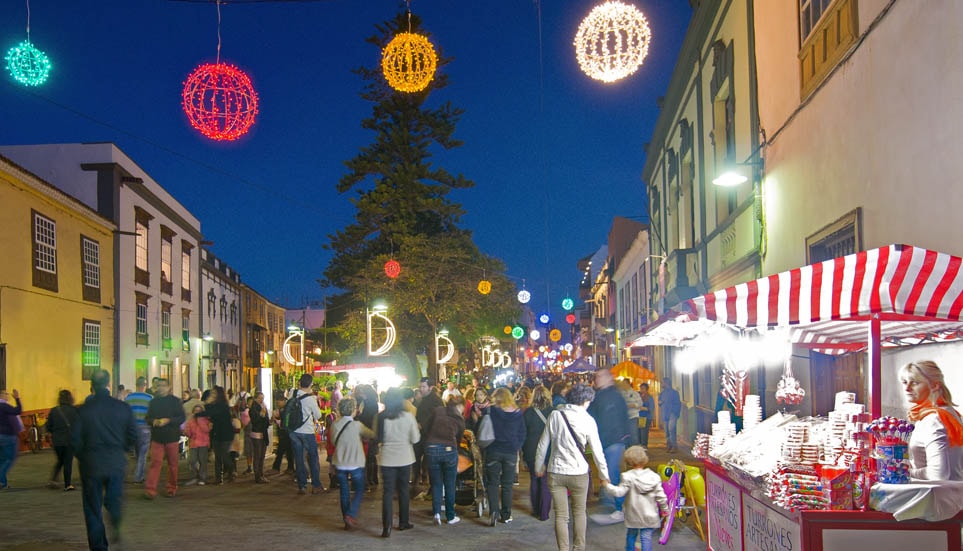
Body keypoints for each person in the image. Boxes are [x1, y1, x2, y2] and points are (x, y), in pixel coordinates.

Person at [534, 383, 611, 551]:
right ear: (584, 401)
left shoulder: (555, 415)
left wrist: (538, 465)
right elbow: (598, 451)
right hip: (579, 472)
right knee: (579, 512)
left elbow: (542, 444)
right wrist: (604, 474)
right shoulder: (588, 420)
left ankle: (563, 549)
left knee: (561, 516)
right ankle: (578, 548)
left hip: (556, 471)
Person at [72, 370, 138, 550]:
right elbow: (134, 435)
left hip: (91, 464)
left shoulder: (83, 410)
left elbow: (75, 440)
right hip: (115, 461)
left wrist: (83, 456)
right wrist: (121, 449)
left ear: (91, 386)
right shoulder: (122, 408)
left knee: (92, 508)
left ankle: (99, 547)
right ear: (109, 385)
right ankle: (116, 520)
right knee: (114, 499)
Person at [899, 361, 963, 480]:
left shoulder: (934, 419)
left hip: (939, 495)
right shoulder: (948, 412)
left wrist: (905, 471)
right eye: (904, 382)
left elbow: (938, 474)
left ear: (934, 386)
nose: (907, 388)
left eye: (915, 383)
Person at [603, 446, 669, 551]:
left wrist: (607, 486)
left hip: (633, 514)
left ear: (629, 461)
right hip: (650, 514)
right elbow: (661, 496)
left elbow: (619, 492)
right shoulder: (654, 477)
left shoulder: (627, 476)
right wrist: (665, 509)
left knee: (631, 534)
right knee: (646, 537)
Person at [588, 368, 632, 525]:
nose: (596, 379)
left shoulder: (613, 396)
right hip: (605, 441)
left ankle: (620, 507)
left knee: (612, 473)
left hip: (614, 440)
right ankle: (612, 501)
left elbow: (623, 417)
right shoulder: (599, 395)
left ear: (608, 378)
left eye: (599, 376)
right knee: (608, 472)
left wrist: (625, 438)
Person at [376, 388, 420, 537]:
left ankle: (386, 527)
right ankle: (403, 522)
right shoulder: (408, 417)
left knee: (387, 493)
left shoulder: (381, 417)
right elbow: (415, 439)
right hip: (405, 458)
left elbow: (378, 438)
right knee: (403, 490)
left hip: (387, 459)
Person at [331, 397, 375, 530]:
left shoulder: (335, 425)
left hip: (339, 461)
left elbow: (334, 441)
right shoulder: (357, 425)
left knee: (344, 492)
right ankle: (351, 514)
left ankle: (346, 520)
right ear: (353, 410)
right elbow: (371, 434)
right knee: (359, 489)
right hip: (356, 462)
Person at [485, 387, 526, 526]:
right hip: (510, 452)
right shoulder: (517, 413)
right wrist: (516, 445)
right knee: (507, 485)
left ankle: (494, 513)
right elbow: (522, 432)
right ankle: (506, 514)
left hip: (493, 450)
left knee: (492, 483)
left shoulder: (491, 411)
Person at [423, 394, 466, 526]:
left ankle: (436, 513)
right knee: (449, 483)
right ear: (460, 406)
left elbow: (426, 427)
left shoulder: (438, 410)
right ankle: (450, 515)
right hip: (449, 450)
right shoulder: (459, 418)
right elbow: (458, 438)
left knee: (436, 483)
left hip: (431, 448)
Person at [144, 378, 185, 499]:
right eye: (158, 386)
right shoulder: (153, 402)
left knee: (173, 464)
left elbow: (181, 418)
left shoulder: (175, 401)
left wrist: (169, 420)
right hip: (157, 437)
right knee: (155, 463)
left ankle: (171, 488)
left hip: (172, 437)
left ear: (168, 387)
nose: (160, 388)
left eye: (163, 385)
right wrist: (153, 421)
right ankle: (150, 490)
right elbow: (147, 418)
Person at [290, 373, 324, 495]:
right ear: (310, 384)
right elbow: (318, 415)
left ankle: (302, 486)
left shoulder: (293, 394)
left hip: (294, 432)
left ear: (300, 382)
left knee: (299, 459)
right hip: (307, 432)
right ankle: (316, 485)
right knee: (313, 458)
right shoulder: (311, 399)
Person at [523, 385, 554, 521]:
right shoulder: (552, 412)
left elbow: (523, 434)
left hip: (531, 450)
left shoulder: (528, 413)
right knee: (546, 481)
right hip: (548, 450)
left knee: (534, 479)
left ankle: (536, 509)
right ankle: (544, 512)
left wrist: (522, 452)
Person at [46, 389, 79, 491]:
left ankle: (53, 480)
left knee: (61, 460)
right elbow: (79, 425)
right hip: (70, 440)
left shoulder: (54, 410)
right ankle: (67, 484)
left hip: (57, 441)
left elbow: (49, 427)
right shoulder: (74, 410)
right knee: (67, 462)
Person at [414, 378, 443, 486]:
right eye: (420, 386)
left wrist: (422, 424)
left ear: (430, 388)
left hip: (430, 435)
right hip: (421, 435)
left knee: (430, 461)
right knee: (418, 458)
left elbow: (437, 416)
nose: (421, 389)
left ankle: (431, 486)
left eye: (423, 387)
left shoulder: (435, 400)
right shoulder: (423, 399)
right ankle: (418, 479)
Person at [124, 377, 152, 483]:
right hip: (145, 427)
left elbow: (125, 412)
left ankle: (130, 474)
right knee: (142, 453)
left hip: (132, 427)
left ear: (136, 385)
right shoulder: (150, 398)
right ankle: (138, 476)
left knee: (134, 453)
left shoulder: (129, 398)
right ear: (145, 385)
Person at [205, 386, 235, 485]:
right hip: (216, 433)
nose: (212, 395)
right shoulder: (213, 405)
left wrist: (208, 403)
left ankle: (231, 470)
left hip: (226, 433)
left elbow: (211, 413)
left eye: (214, 393)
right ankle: (219, 478)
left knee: (224, 455)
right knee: (218, 456)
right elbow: (207, 413)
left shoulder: (223, 405)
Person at [0, 388, 23, 490]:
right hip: (7, 435)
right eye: (5, 393)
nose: (7, 395)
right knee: (10, 458)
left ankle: (3, 482)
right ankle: (1, 480)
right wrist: (17, 398)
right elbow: (18, 411)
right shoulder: (4, 406)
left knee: (2, 459)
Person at [183, 404, 212, 486]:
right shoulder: (190, 421)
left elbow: (206, 430)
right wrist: (185, 432)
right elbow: (189, 433)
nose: (197, 413)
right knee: (192, 461)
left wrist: (200, 420)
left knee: (203, 461)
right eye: (195, 411)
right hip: (194, 443)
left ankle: (202, 478)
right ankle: (195, 476)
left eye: (199, 411)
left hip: (204, 443)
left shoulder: (206, 420)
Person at [248, 391, 271, 483]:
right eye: (259, 398)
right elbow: (255, 421)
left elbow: (265, 420)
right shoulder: (253, 409)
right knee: (258, 455)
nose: (261, 400)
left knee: (262, 456)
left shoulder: (263, 407)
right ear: (255, 398)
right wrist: (262, 414)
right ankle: (258, 476)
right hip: (257, 434)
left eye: (262, 398)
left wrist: (269, 420)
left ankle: (261, 474)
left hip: (263, 433)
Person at [659, 378, 682, 453]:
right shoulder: (662, 393)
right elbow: (659, 402)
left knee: (671, 429)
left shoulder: (674, 393)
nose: (661, 384)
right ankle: (669, 445)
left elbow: (678, 404)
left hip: (672, 413)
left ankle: (674, 446)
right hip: (665, 413)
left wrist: (675, 412)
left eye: (662, 383)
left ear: (666, 383)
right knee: (667, 431)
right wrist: (660, 403)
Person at [618, 379, 643, 446]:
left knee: (633, 434)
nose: (623, 385)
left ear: (628, 384)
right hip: (623, 417)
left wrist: (632, 405)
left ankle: (635, 451)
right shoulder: (621, 394)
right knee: (625, 435)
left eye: (624, 384)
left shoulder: (635, 393)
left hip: (633, 416)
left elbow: (640, 403)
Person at [637, 383, 654, 447]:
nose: (641, 390)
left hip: (646, 418)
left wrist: (643, 408)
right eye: (641, 388)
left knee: (644, 434)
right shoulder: (638, 396)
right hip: (639, 417)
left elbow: (651, 408)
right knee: (639, 434)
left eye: (643, 389)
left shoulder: (649, 397)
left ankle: (644, 447)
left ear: (647, 389)